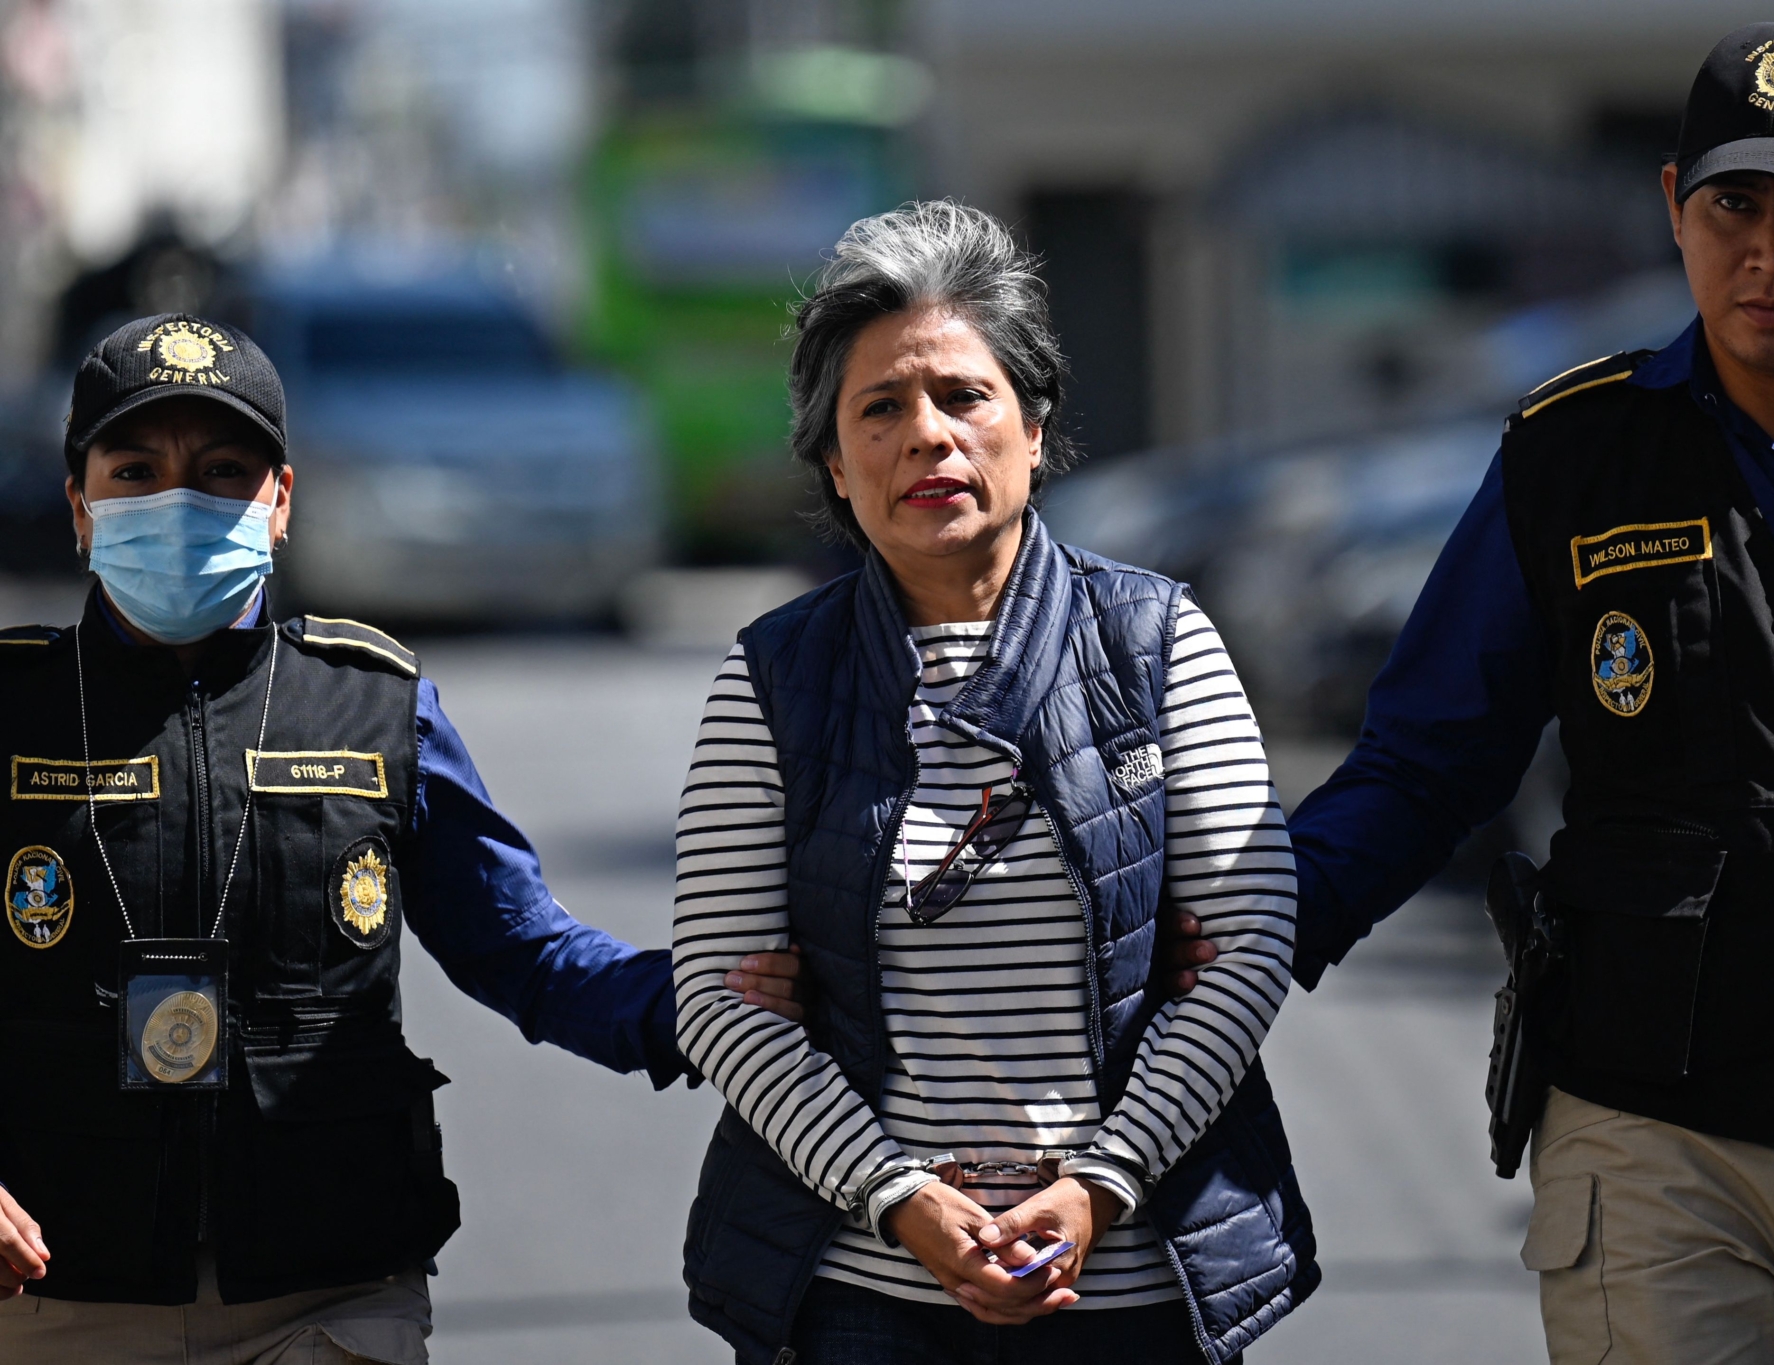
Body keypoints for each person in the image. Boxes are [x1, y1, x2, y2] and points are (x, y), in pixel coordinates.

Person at [1278, 17, 1774, 1364]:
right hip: (1656, 1140)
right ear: (1673, 212)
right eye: (1733, 203)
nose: (1773, 249)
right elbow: (1424, 765)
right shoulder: (1573, 460)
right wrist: (1239, 936)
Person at [668, 201, 1314, 1365]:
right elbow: (720, 999)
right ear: (833, 459)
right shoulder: (769, 678)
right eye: (881, 409)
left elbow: (1249, 944)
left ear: (1032, 423)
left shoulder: (1157, 641)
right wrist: (901, 1200)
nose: (928, 436)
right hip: (863, 1295)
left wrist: (1098, 1191)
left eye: (963, 395)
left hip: (1128, 1289)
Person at [0, 314, 688, 1363]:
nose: (179, 500)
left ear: (281, 502)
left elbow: (525, 951)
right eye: (135, 469)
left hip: (329, 1289)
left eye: (225, 469)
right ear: (80, 508)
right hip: (60, 1291)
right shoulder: (13, 708)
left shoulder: (376, 708)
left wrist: (716, 1012)